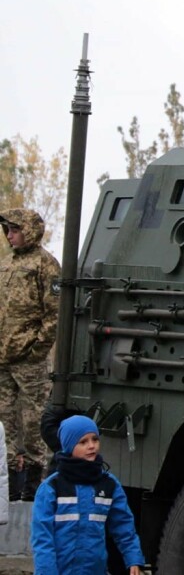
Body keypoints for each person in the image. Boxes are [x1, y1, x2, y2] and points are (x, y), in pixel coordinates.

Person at [30, 415, 144, 575]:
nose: (91, 446)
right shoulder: (52, 487)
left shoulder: (109, 484)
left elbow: (124, 525)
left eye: (95, 439)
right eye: (83, 442)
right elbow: (42, 537)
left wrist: (133, 558)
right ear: (69, 446)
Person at [0, 208, 61, 499]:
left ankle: (36, 487)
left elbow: (54, 314)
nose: (9, 235)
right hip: (3, 357)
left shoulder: (46, 265)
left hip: (29, 360)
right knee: (6, 422)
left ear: (29, 230)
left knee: (34, 422)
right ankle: (10, 483)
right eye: (7, 230)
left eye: (14, 229)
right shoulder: (6, 264)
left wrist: (36, 350)